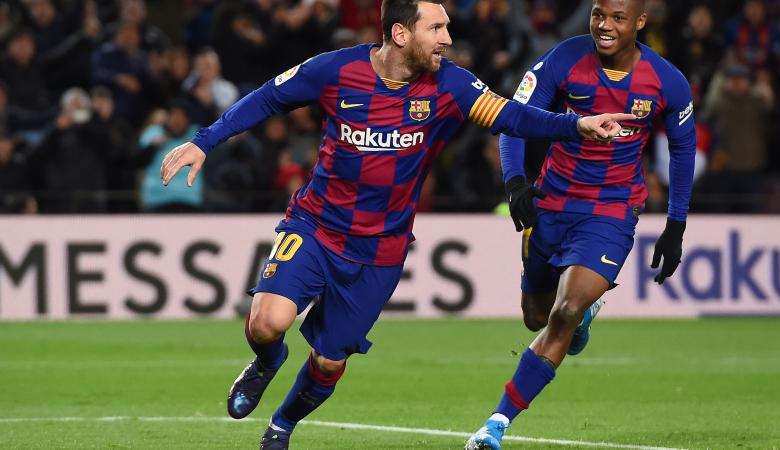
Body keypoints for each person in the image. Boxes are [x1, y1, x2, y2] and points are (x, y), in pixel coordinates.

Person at [160, 1, 632, 448]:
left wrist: (575, 126)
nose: (448, 38)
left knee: (328, 361)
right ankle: (266, 361)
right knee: (267, 325)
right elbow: (266, 100)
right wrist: (204, 141)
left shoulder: (451, 86)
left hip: (379, 251)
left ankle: (282, 425)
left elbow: (511, 115)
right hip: (315, 226)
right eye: (437, 28)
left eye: (447, 26)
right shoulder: (335, 70)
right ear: (400, 33)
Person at [465, 0, 696, 448]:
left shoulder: (668, 81)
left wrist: (677, 223)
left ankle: (496, 423)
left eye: (617, 18)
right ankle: (584, 315)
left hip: (611, 210)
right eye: (598, 15)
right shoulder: (564, 58)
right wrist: (515, 183)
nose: (605, 26)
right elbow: (513, 119)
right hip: (552, 202)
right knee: (536, 317)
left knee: (564, 311)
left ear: (640, 23)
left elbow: (683, 150)